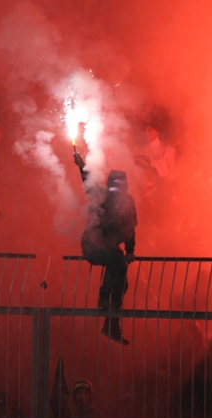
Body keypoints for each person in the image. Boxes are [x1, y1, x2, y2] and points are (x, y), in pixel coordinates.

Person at [73, 137, 138, 345]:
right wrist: (82, 165)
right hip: (93, 246)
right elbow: (88, 180)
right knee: (116, 261)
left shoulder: (127, 202)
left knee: (122, 282)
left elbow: (129, 229)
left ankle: (112, 324)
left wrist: (130, 250)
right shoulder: (100, 194)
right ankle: (103, 300)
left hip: (112, 248)